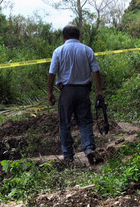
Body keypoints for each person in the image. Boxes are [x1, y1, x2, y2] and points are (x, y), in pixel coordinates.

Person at [47, 24, 104, 164]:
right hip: (83, 90)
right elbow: (96, 71)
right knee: (85, 121)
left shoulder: (58, 51)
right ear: (78, 36)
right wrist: (99, 90)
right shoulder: (87, 50)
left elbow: (52, 73)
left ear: (64, 37)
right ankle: (89, 149)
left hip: (66, 92)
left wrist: (49, 92)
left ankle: (68, 156)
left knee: (65, 123)